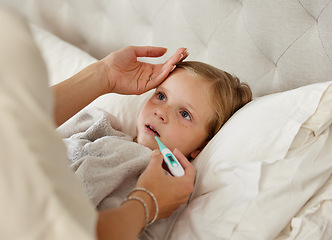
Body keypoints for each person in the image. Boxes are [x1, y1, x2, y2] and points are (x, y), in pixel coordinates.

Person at [57, 54, 252, 238]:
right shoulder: (100, 125)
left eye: (184, 114)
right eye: (161, 96)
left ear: (201, 147)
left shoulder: (170, 190)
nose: (161, 112)